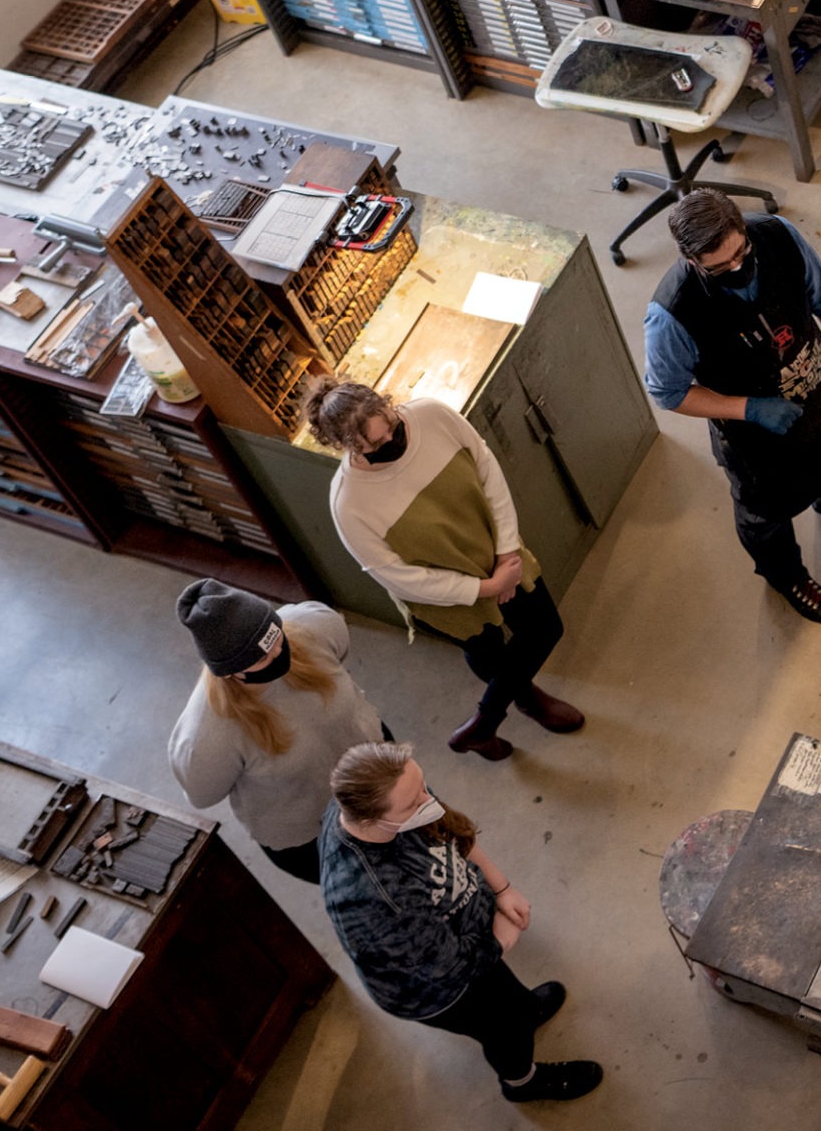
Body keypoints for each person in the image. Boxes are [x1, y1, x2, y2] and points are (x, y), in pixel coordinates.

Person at [642, 190, 821, 624]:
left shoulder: (777, 236)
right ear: (690, 259)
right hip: (754, 431)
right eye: (718, 267)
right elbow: (669, 392)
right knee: (765, 512)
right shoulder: (672, 314)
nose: (736, 267)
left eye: (741, 253)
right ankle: (787, 575)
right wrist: (749, 409)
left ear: (743, 228)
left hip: (815, 386)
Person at [308, 379, 583, 761]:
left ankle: (483, 723)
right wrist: (484, 589)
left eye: (392, 425)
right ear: (347, 447)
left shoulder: (430, 415)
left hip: (498, 555)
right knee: (489, 654)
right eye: (376, 444)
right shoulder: (349, 504)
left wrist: (505, 553)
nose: (392, 440)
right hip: (446, 596)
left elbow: (486, 467)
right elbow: (398, 577)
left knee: (544, 628)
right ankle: (527, 698)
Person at [322, 740, 602, 1103]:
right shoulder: (373, 897)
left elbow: (450, 831)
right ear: (368, 819)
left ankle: (522, 1009)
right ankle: (522, 1081)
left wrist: (501, 888)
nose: (428, 801)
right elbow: (449, 967)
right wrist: (499, 940)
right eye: (413, 803)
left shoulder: (387, 793)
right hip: (439, 989)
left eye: (422, 784)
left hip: (465, 939)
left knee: (509, 997)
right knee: (505, 1030)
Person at [166, 579, 388, 884]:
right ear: (229, 672)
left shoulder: (313, 626)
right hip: (316, 835)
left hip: (382, 775)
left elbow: (336, 641)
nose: (278, 653)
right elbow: (203, 794)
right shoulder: (206, 737)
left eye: (276, 638)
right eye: (260, 658)